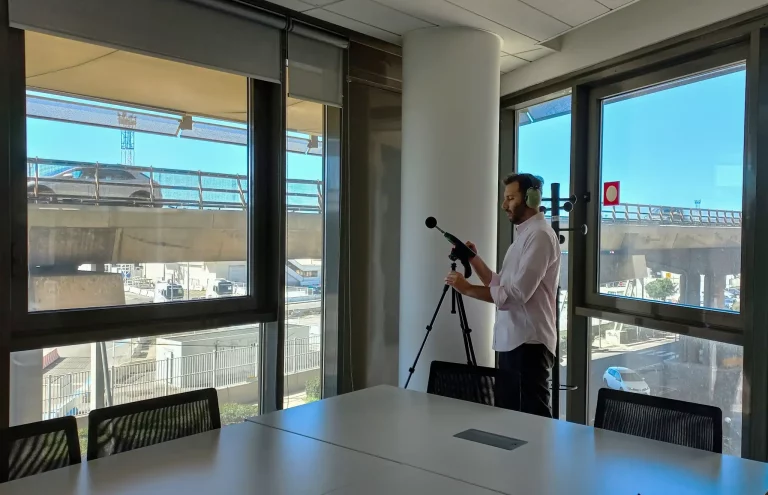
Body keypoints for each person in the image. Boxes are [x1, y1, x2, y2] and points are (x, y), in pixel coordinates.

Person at [445, 173, 561, 418]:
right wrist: (473, 259)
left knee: (532, 425)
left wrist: (466, 289)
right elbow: (499, 284)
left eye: (510, 198)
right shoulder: (525, 236)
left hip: (529, 345)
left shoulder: (539, 236)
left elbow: (516, 295)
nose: (503, 205)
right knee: (510, 421)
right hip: (516, 342)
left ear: (532, 198)